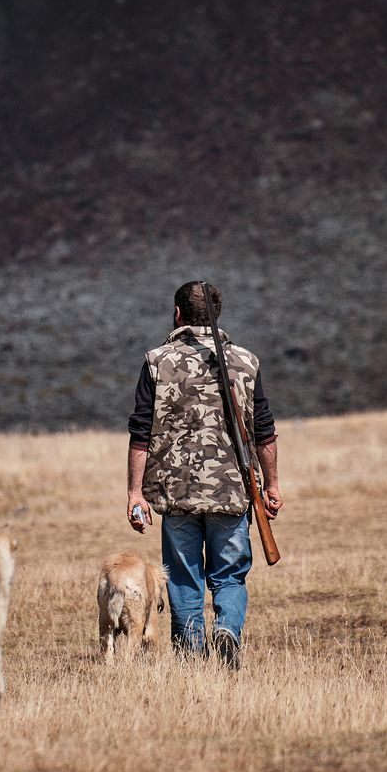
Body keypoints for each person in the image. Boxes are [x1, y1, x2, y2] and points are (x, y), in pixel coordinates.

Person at [126, 280, 282, 669]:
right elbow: (263, 430)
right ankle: (227, 629)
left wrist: (134, 493)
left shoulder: (156, 361)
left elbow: (141, 431)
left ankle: (192, 655)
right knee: (229, 575)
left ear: (177, 313)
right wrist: (272, 484)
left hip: (175, 492)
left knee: (182, 575)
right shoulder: (246, 361)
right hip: (233, 490)